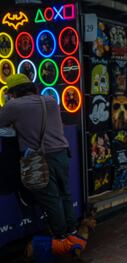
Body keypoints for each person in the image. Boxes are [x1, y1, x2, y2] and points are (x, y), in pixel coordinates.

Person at [0, 74, 80, 249]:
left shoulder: (13, 105)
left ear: (13, 92)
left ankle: (61, 238)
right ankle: (73, 231)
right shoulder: (50, 100)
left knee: (51, 199)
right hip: (62, 154)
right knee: (64, 193)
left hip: (41, 158)